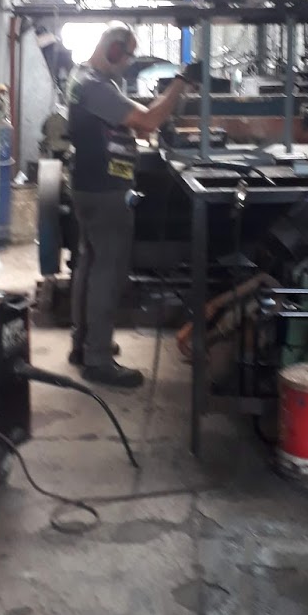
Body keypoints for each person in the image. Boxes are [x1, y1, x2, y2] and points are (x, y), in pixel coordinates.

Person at [67, 22, 201, 387]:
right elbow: (148, 122)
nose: (127, 63)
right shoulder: (95, 86)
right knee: (108, 273)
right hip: (106, 190)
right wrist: (180, 83)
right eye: (126, 56)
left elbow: (137, 121)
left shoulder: (86, 78)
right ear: (113, 50)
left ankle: (83, 344)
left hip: (87, 185)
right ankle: (98, 360)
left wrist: (152, 112)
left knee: (89, 265)